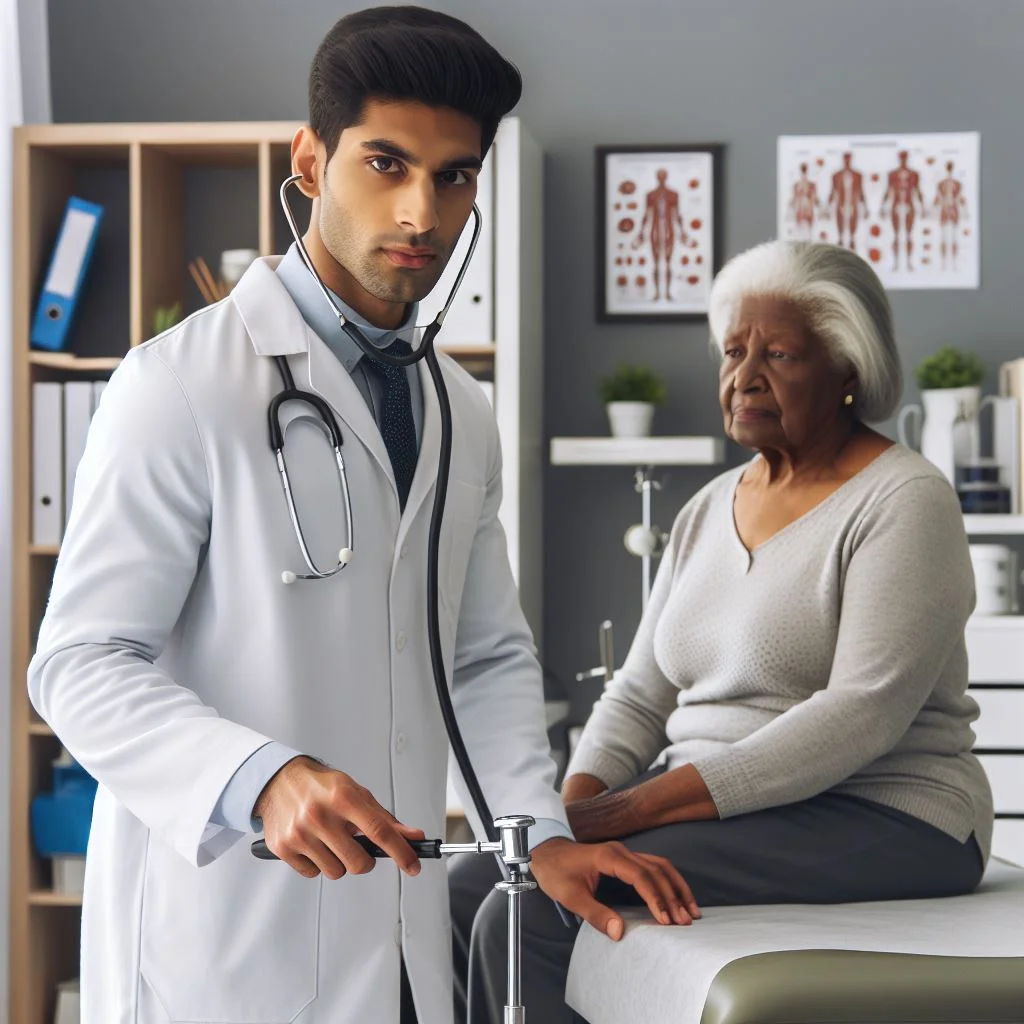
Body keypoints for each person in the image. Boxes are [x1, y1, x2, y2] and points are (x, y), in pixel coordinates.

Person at [27, 8, 691, 1024]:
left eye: (454, 175)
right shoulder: (179, 385)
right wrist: (260, 777)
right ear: (309, 161)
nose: (421, 211)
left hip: (395, 944)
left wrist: (534, 830)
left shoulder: (460, 412)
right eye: (385, 163)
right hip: (224, 941)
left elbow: (481, 656)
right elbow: (78, 661)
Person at [450, 239, 994, 1024]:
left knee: (534, 912)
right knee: (477, 882)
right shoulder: (709, 507)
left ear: (849, 372)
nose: (745, 377)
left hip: (889, 811)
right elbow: (638, 694)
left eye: (779, 354)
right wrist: (563, 818)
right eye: (735, 352)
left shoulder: (906, 500)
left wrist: (632, 812)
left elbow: (862, 712)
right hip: (720, 808)